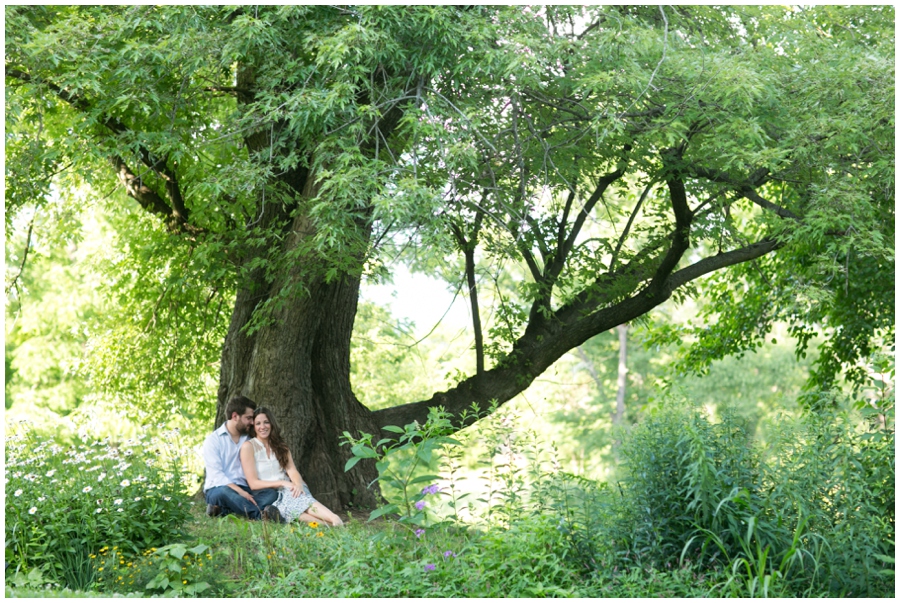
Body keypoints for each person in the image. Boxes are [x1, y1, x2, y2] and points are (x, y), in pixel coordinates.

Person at [239, 407, 344, 527]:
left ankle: (334, 518)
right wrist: (282, 483)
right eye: (258, 423)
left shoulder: (280, 446)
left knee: (297, 497)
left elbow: (292, 470)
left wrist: (298, 484)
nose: (262, 427)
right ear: (254, 427)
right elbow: (253, 483)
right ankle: (329, 525)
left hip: (288, 488)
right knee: (293, 512)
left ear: (272, 423)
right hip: (268, 493)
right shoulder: (248, 447)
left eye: (266, 422)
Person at [201, 395, 282, 521]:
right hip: (219, 488)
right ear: (235, 416)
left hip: (246, 488)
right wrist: (241, 492)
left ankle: (223, 510)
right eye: (248, 418)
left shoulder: (250, 439)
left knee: (271, 494)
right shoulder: (213, 441)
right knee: (224, 493)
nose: (252, 422)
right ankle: (259, 516)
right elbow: (217, 476)